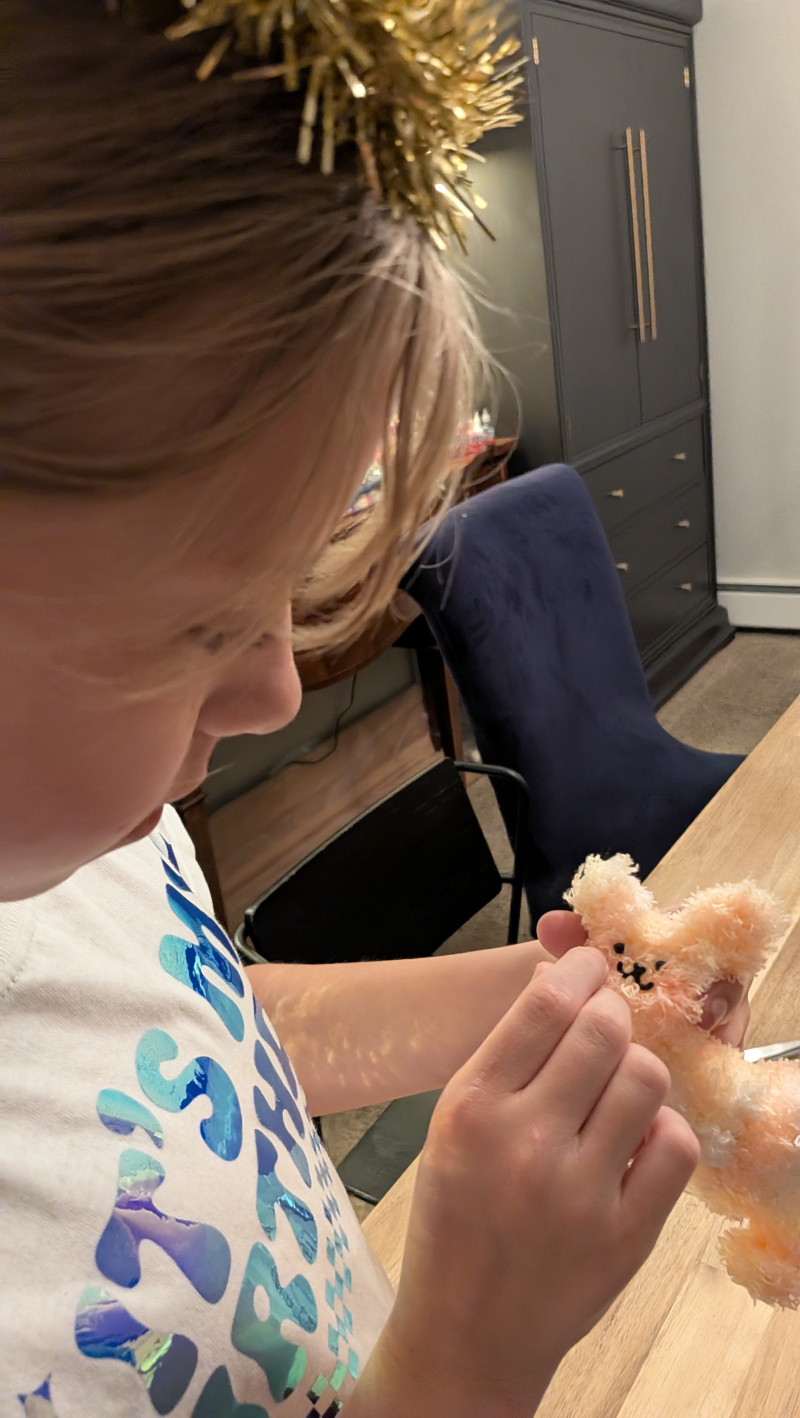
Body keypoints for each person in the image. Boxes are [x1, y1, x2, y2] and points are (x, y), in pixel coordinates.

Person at [0, 3, 745, 1414]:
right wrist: (465, 1359)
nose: (276, 685)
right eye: (203, 622)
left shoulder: (89, 843)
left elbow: (200, 1028)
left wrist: (543, 1003)